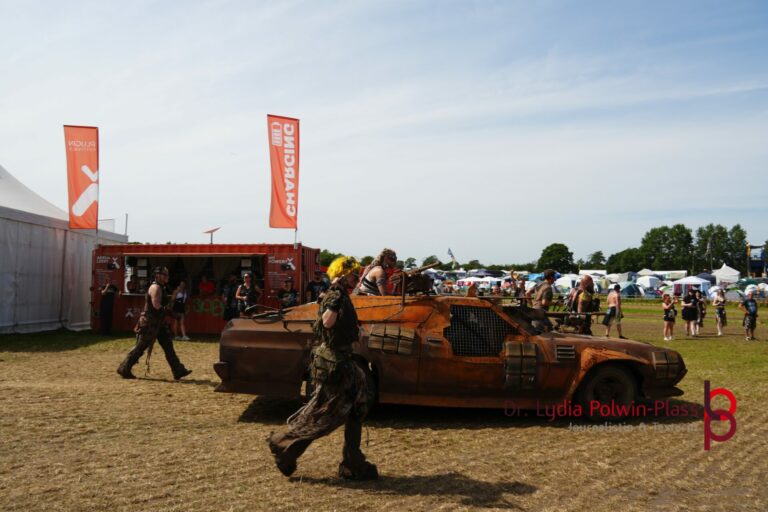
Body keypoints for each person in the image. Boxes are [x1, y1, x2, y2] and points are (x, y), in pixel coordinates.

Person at [268, 256, 378, 481]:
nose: (356, 277)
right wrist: (336, 302)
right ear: (342, 273)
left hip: (344, 359)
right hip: (335, 363)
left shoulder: (340, 294)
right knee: (327, 415)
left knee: (358, 406)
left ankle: (353, 462)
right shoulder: (335, 295)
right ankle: (285, 448)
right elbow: (328, 322)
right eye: (353, 273)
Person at [116, 267, 192, 380]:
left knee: (168, 346)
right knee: (141, 347)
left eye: (167, 275)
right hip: (150, 324)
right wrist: (172, 314)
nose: (167, 277)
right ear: (157, 275)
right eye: (164, 275)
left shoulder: (162, 287)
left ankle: (178, 370)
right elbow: (156, 306)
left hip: (159, 323)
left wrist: (173, 300)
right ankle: (124, 368)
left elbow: (163, 304)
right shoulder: (155, 287)